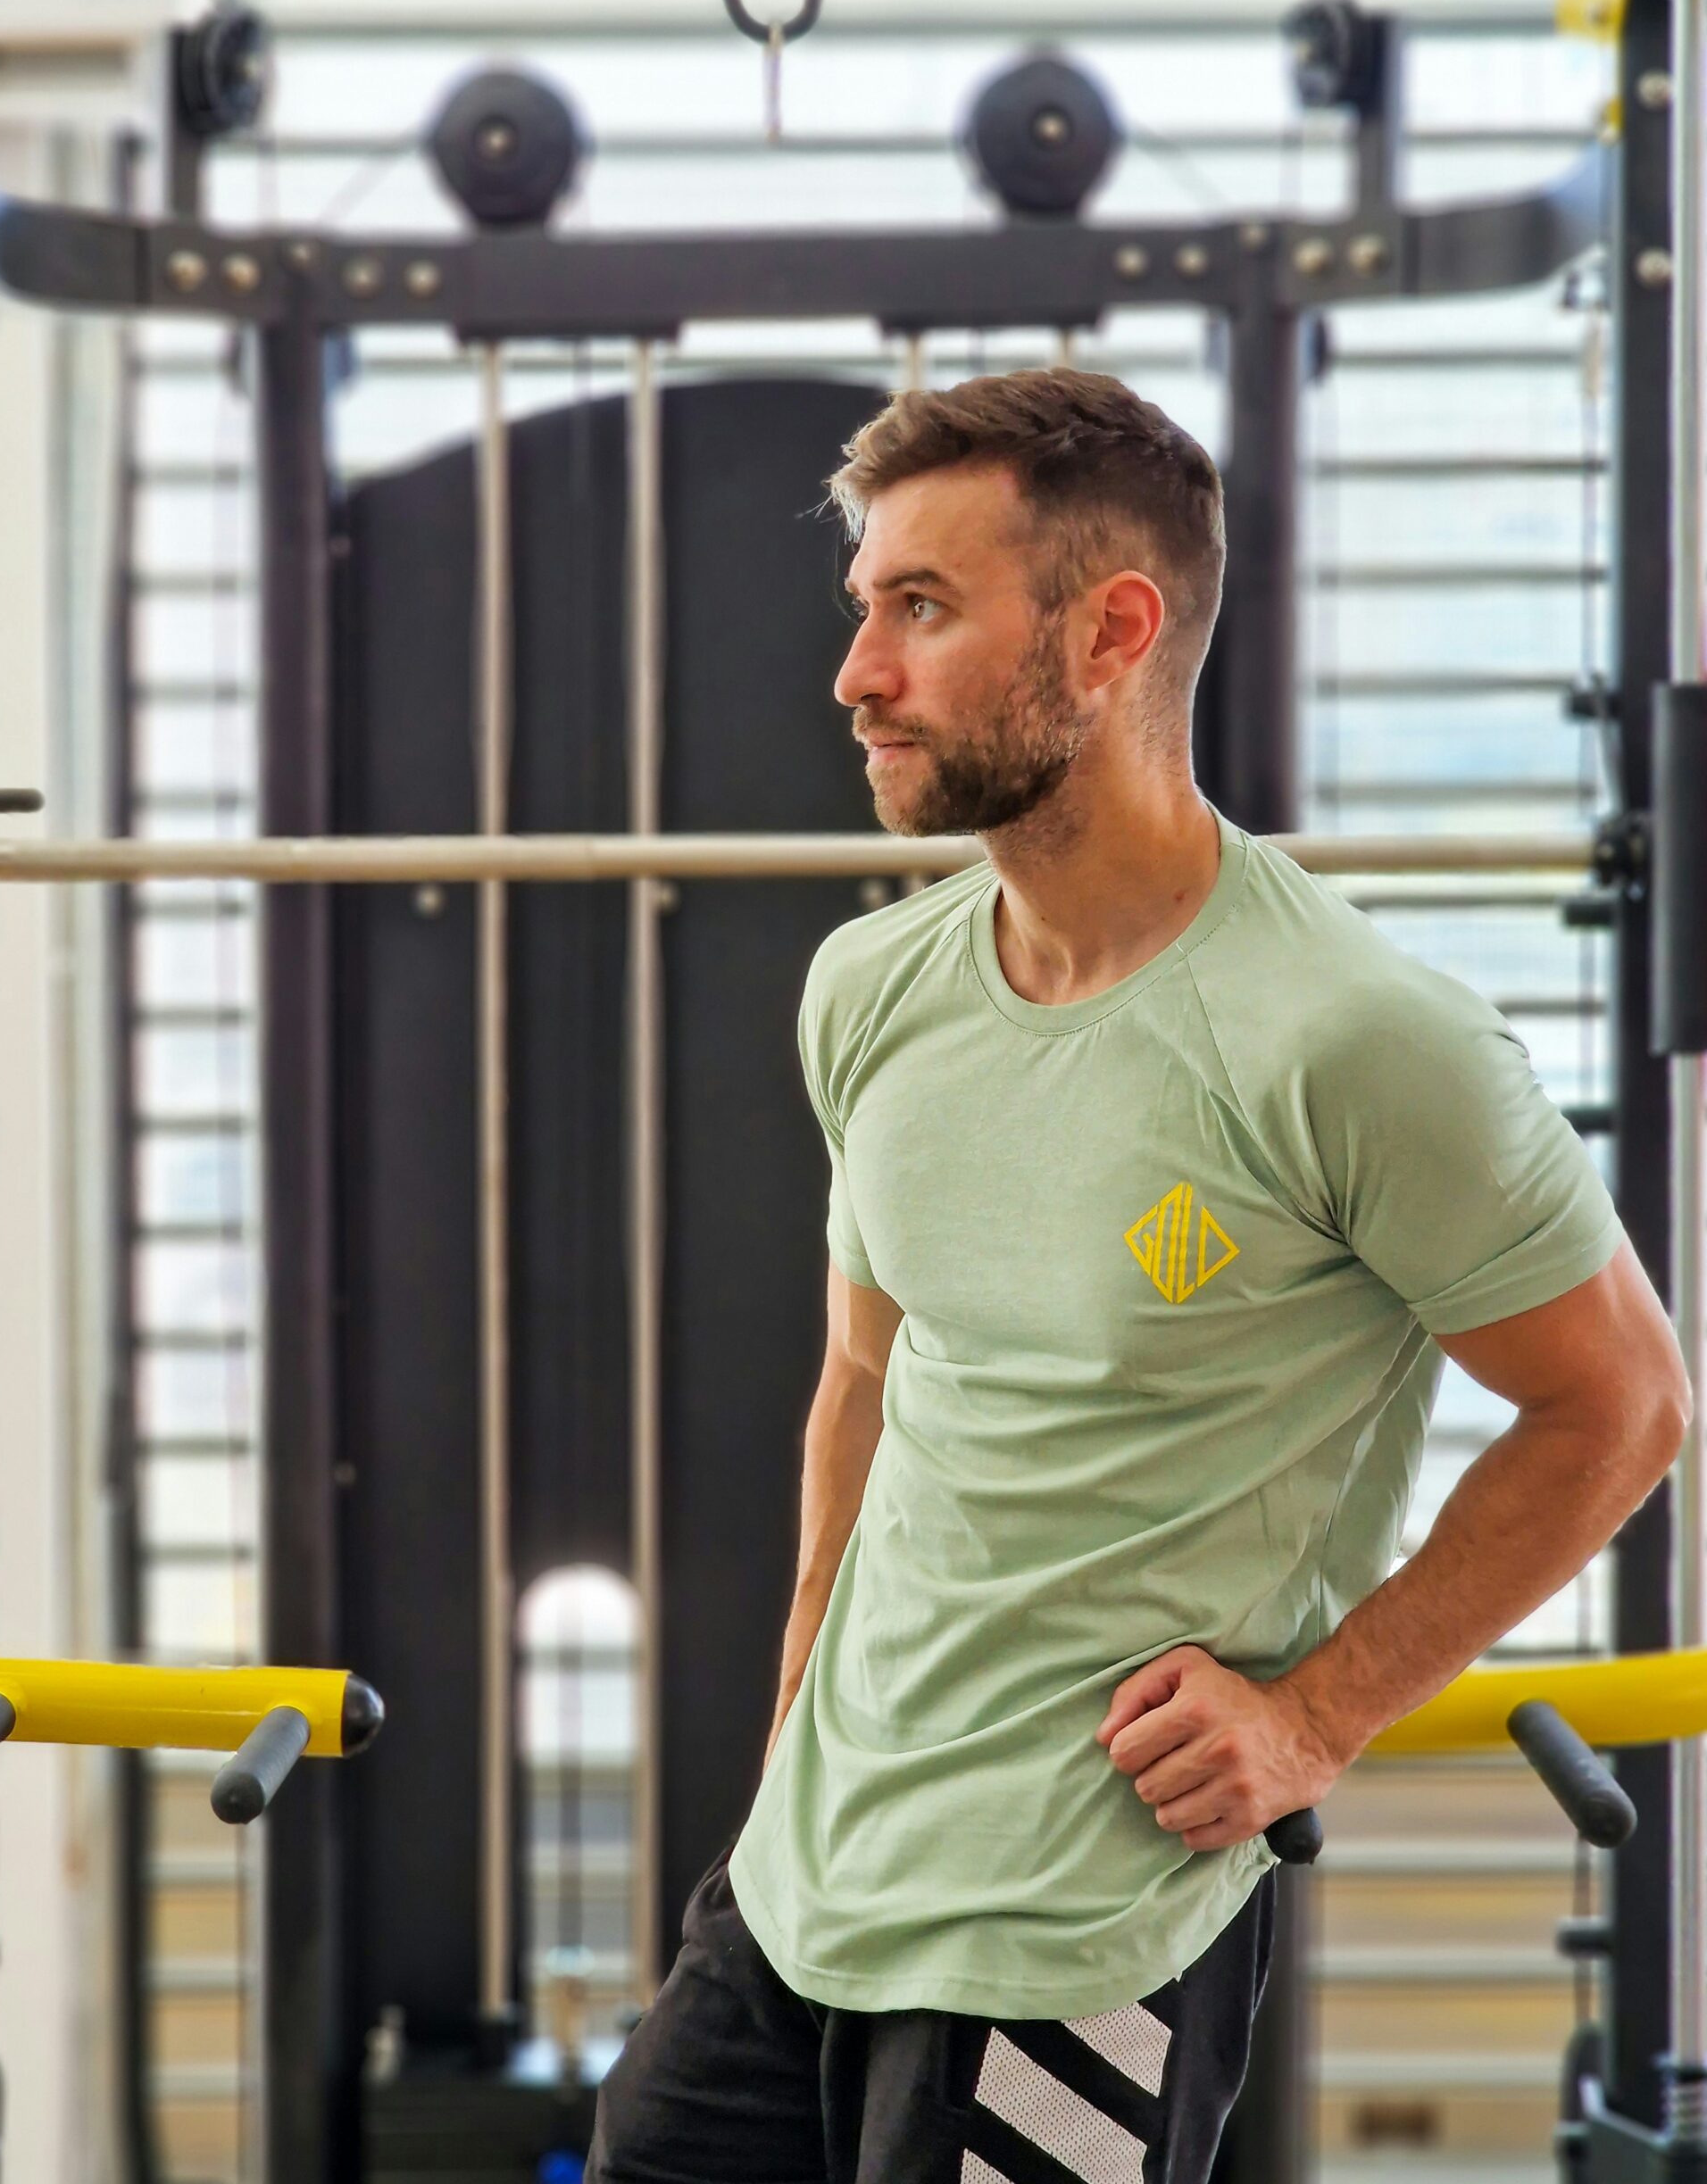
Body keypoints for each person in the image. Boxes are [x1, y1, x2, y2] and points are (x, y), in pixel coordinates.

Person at [586, 369, 1688, 2184]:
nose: (858, 673)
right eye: (864, 608)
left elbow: (1624, 1404)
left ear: (1109, 635)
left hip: (1075, 1925)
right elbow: (869, 1372)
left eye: (921, 608)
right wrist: (799, 1701)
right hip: (804, 1877)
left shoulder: (1357, 1039)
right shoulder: (873, 993)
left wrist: (1315, 1714)